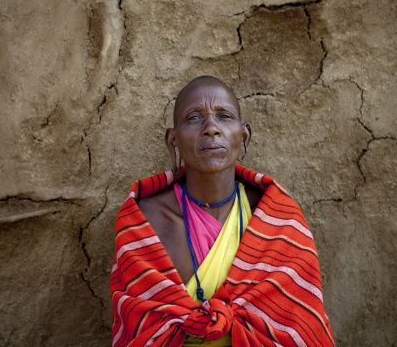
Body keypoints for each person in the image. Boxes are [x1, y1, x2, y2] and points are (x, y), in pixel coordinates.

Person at [110, 76, 334, 347]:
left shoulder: (277, 217)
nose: (210, 128)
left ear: (244, 136)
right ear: (173, 141)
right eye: (193, 118)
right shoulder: (143, 221)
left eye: (224, 116)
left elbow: (299, 326)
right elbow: (140, 329)